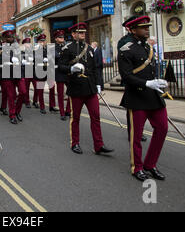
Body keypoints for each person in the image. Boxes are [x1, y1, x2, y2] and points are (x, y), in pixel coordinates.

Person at [118, 15, 168, 182]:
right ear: (133, 30)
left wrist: (158, 83)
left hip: (153, 97)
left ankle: (150, 164)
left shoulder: (148, 48)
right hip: (137, 97)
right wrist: (147, 83)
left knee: (162, 129)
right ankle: (137, 167)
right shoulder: (126, 49)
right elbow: (126, 77)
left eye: (148, 26)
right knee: (136, 136)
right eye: (143, 27)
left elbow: (151, 70)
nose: (147, 29)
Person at [58, 22, 114, 156]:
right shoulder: (67, 49)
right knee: (75, 117)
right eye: (80, 32)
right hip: (76, 88)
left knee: (96, 117)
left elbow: (95, 69)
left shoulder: (89, 49)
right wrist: (71, 68)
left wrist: (99, 84)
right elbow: (60, 66)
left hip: (90, 88)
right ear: (73, 34)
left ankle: (98, 145)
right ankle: (75, 143)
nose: (83, 34)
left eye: (84, 32)